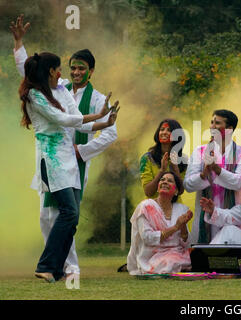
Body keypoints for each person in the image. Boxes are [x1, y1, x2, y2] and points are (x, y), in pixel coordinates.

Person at [11, 15, 118, 277]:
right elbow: (26, 69)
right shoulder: (50, 90)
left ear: (91, 71)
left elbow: (106, 132)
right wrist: (18, 44)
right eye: (71, 68)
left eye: (81, 69)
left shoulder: (91, 96)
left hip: (74, 162)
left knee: (68, 215)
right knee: (49, 215)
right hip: (52, 161)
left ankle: (59, 266)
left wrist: (83, 149)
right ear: (55, 71)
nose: (74, 73)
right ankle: (59, 266)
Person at [184, 109, 241, 243]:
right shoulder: (200, 151)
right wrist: (204, 173)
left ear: (229, 129)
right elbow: (188, 185)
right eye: (212, 122)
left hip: (232, 218)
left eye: (217, 123)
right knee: (204, 261)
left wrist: (216, 169)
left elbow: (240, 182)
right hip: (204, 218)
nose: (212, 126)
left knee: (231, 259)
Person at [127, 172, 193, 275]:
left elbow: (186, 243)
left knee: (195, 258)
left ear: (176, 191)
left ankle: (181, 266)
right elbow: (147, 238)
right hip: (152, 256)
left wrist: (183, 225)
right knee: (170, 262)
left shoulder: (181, 209)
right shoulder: (146, 207)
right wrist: (175, 227)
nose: (165, 182)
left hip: (177, 253)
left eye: (170, 181)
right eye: (162, 180)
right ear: (158, 188)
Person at [140, 119, 188, 199]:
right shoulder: (147, 158)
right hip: (153, 207)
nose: (164, 132)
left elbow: (180, 191)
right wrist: (162, 170)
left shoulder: (183, 160)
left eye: (169, 130)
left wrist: (175, 168)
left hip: (175, 208)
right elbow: (148, 192)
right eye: (162, 129)